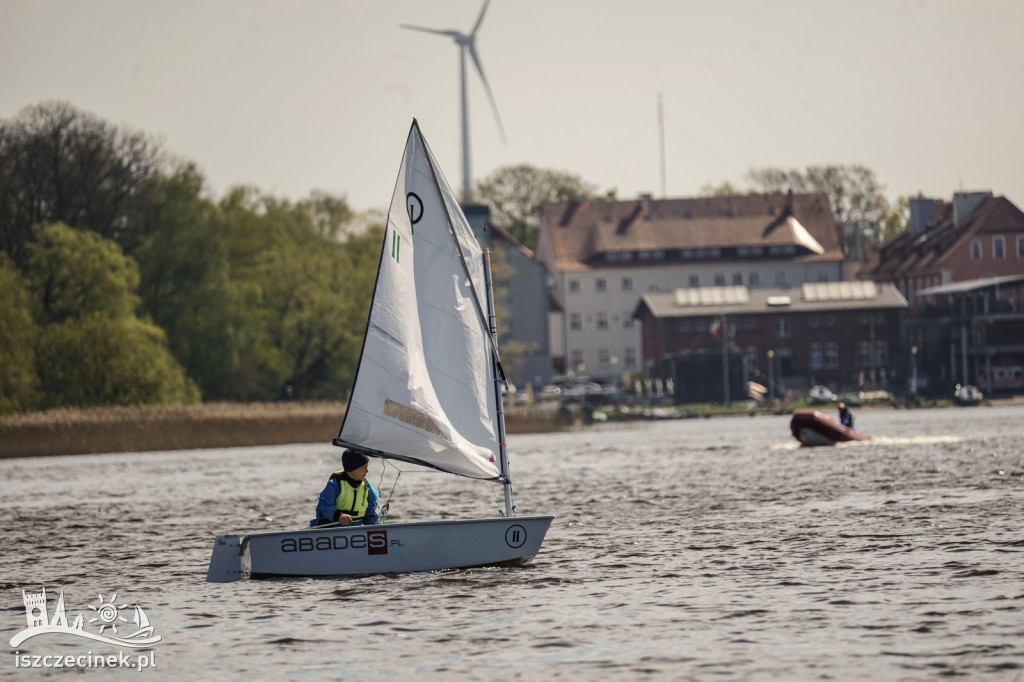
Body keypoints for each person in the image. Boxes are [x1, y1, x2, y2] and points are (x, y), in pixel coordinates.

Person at [310, 450, 379, 527]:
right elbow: (323, 508)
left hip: (358, 530)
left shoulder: (366, 487)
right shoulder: (335, 484)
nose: (367, 471)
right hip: (335, 530)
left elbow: (371, 513)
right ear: (353, 468)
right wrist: (339, 515)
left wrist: (375, 530)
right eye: (364, 467)